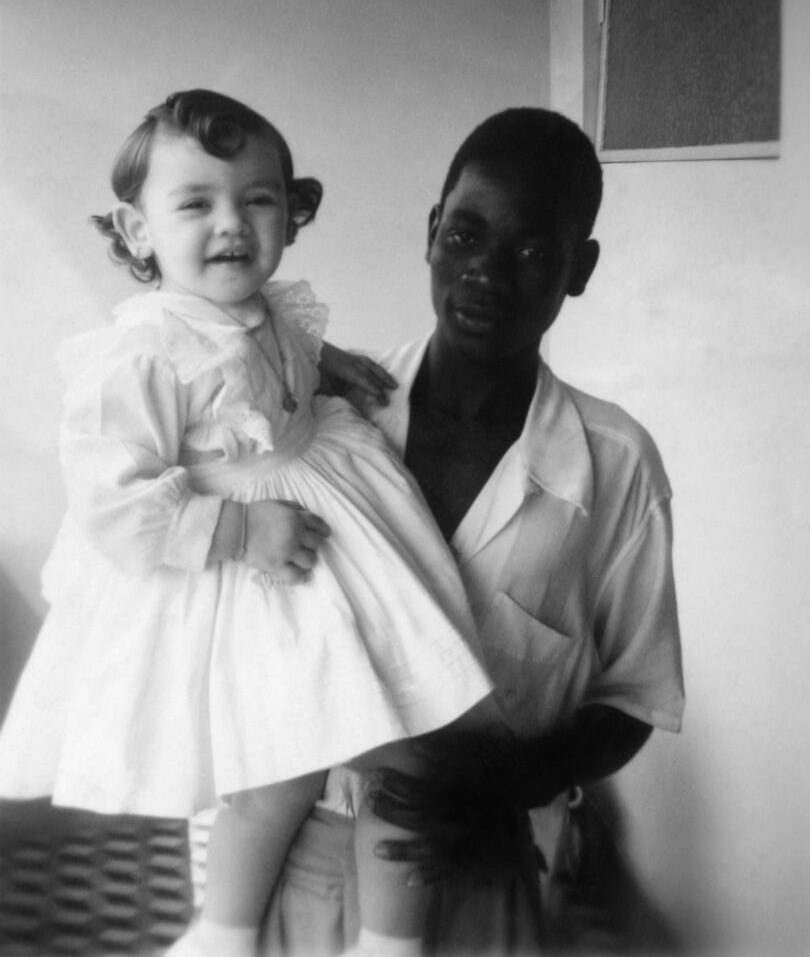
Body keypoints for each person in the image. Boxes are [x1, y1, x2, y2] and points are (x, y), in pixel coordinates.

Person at [0, 90, 498, 957]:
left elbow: (277, 359)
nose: (231, 224)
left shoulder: (267, 309)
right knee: (278, 771)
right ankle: (223, 932)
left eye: (258, 199)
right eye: (195, 203)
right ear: (138, 228)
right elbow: (113, 499)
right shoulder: (145, 351)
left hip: (326, 526)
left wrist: (328, 366)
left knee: (396, 750)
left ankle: (386, 938)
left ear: (291, 213)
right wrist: (235, 530)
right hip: (247, 565)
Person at [261, 107, 684, 955]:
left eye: (532, 251)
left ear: (581, 268)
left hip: (487, 861)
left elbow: (635, 698)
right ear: (431, 234)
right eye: (465, 235)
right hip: (307, 842)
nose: (486, 274)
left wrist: (499, 783)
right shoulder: (329, 419)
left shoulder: (615, 466)